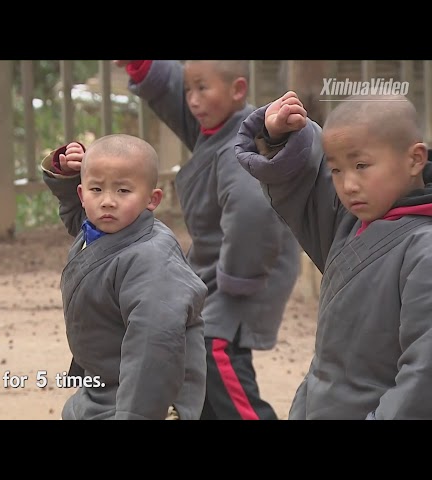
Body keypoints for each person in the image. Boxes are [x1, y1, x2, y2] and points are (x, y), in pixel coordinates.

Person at [113, 60, 301, 420]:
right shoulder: (212, 126)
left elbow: (252, 213)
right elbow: (174, 97)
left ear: (238, 91)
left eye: (203, 88)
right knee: (196, 355)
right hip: (217, 272)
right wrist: (145, 67)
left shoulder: (241, 145)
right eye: (189, 89)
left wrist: (236, 279)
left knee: (215, 349)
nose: (193, 100)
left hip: (243, 274)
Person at [234, 90, 432, 420]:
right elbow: (307, 184)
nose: (348, 185)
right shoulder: (351, 223)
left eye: (361, 165)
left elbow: (424, 372)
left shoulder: (423, 249)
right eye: (337, 170)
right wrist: (278, 135)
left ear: (414, 160)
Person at [41, 133, 208, 420]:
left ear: (152, 199)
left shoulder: (153, 260)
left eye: (122, 191)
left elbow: (153, 351)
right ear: (82, 195)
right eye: (96, 189)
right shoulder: (105, 231)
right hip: (102, 386)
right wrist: (68, 176)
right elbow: (78, 219)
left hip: (142, 398)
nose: (107, 202)